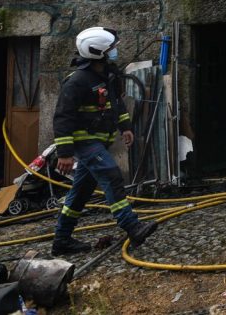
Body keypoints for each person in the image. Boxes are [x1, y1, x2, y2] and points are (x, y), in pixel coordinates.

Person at [51, 27, 157, 255]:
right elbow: (63, 117)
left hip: (100, 141)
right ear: (98, 51)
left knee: (80, 192)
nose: (116, 51)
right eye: (112, 48)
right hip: (85, 142)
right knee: (110, 173)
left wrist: (125, 127)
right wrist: (65, 153)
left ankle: (61, 240)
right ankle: (132, 226)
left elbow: (116, 104)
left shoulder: (107, 75)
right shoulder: (77, 81)